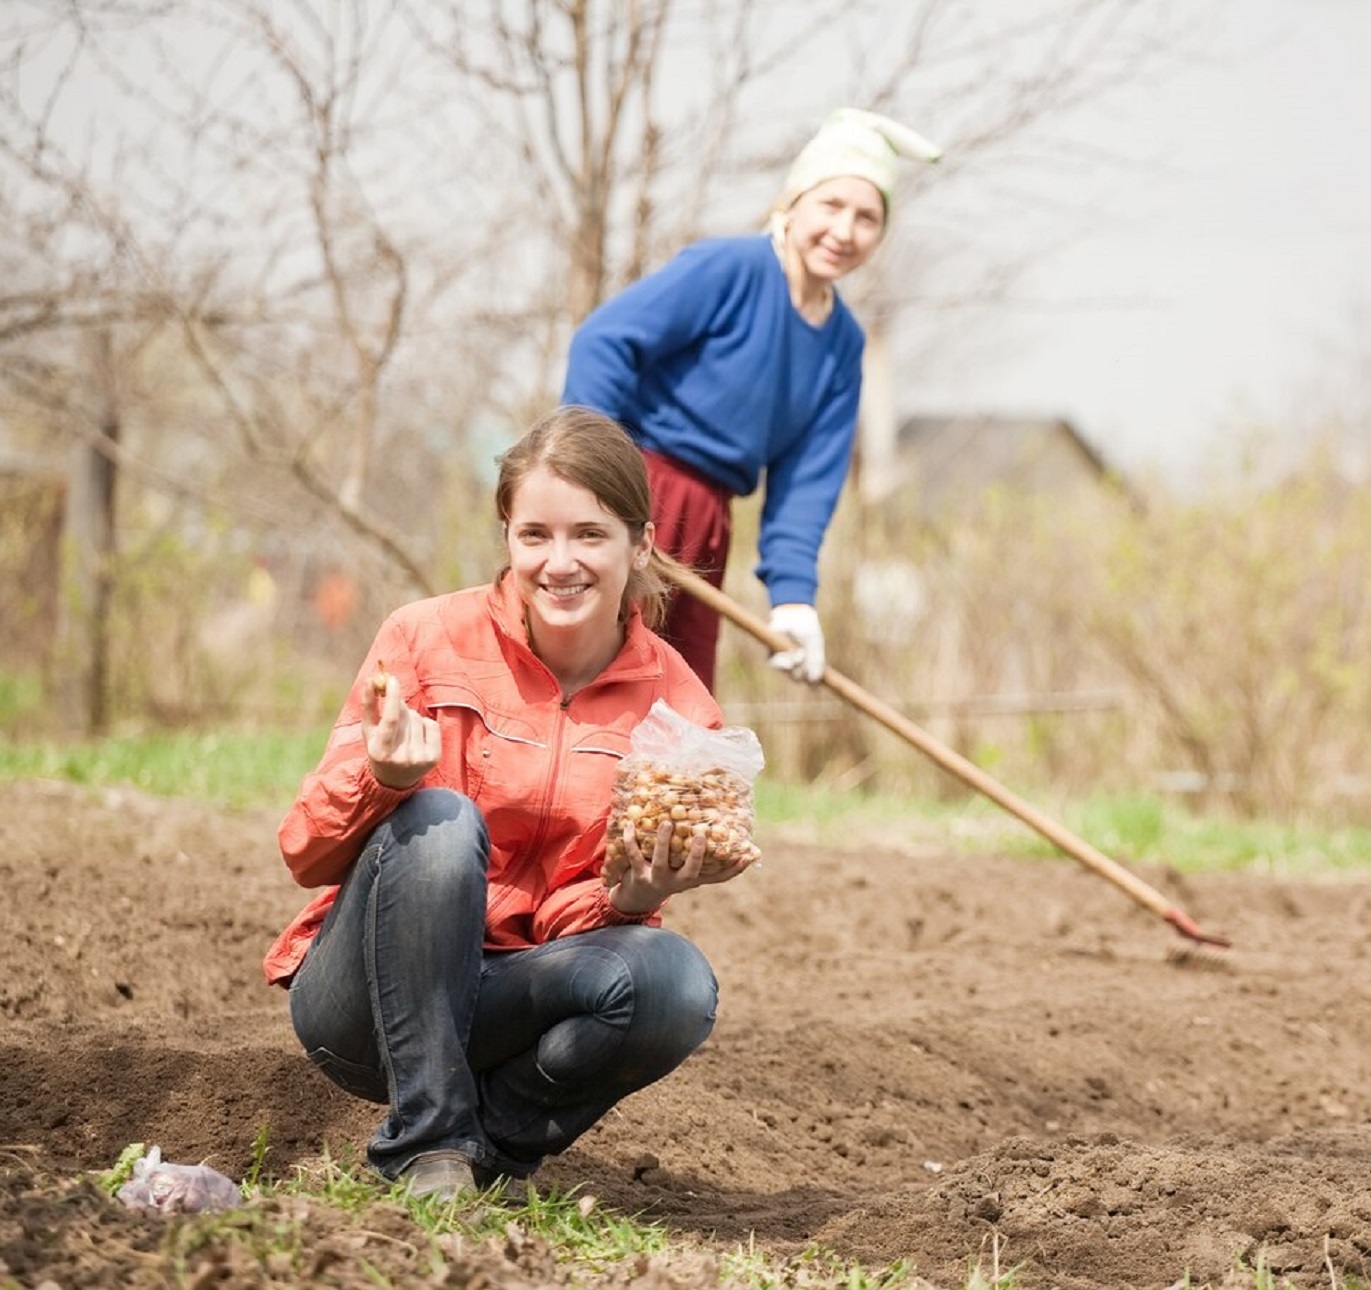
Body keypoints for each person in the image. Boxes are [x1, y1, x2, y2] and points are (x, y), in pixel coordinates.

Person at [262, 406, 758, 1202]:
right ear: (507, 538)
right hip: (367, 1003)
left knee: (676, 984)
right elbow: (304, 853)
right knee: (441, 821)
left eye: (589, 534)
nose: (560, 563)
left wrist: (631, 900)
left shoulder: (678, 710)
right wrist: (382, 781)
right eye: (535, 535)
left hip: (510, 1000)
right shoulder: (423, 639)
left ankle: (485, 1146)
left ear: (640, 545)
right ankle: (430, 1143)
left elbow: (585, 941)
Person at [562, 107, 941, 694]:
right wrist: (594, 489)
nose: (844, 230)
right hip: (634, 491)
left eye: (867, 218)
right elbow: (603, 344)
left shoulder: (843, 346)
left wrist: (794, 601)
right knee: (590, 679)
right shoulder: (730, 269)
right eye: (831, 205)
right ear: (795, 200)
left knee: (680, 702)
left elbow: (805, 488)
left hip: (708, 524)